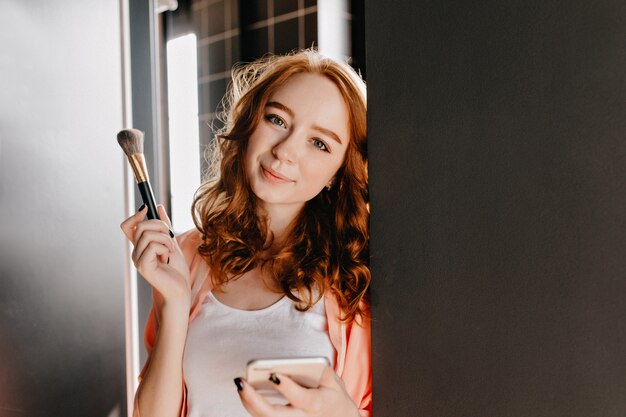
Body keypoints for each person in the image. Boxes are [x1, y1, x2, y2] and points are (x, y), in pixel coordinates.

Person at [121, 49, 371, 417]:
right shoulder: (188, 255)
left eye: (319, 143)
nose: (285, 151)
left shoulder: (356, 279)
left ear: (338, 171)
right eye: (277, 120)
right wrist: (173, 303)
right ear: (251, 123)